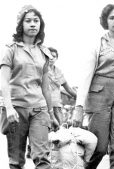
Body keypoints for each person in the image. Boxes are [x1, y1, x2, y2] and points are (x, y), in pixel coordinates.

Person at [72, 3, 114, 169]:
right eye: (112, 18)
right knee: (98, 147)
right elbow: (86, 76)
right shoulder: (97, 43)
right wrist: (78, 107)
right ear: (105, 21)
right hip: (98, 95)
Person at [0, 5, 58, 169]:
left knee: (42, 158)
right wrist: (9, 108)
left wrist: (51, 114)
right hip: (15, 109)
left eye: (36, 21)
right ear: (21, 25)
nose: (32, 24)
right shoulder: (10, 50)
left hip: (39, 110)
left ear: (40, 24)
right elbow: (3, 81)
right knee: (16, 161)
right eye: (28, 21)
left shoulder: (44, 52)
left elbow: (46, 87)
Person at [48, 47, 77, 124]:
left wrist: (80, 98)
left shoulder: (58, 71)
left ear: (56, 58)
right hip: (43, 106)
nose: (51, 58)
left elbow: (68, 89)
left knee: (57, 130)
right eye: (49, 55)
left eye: (54, 56)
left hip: (56, 105)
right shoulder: (40, 70)